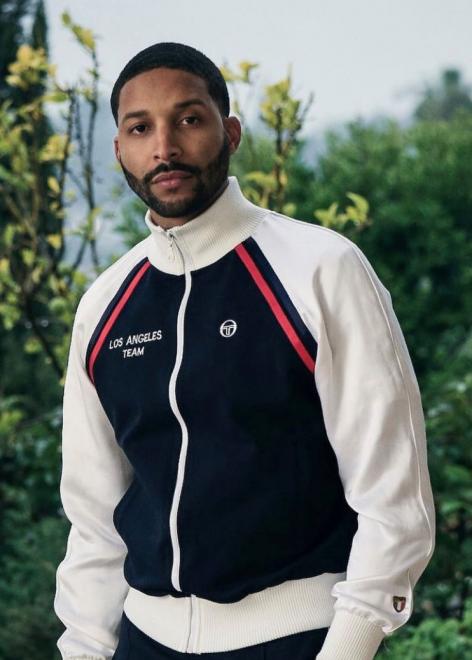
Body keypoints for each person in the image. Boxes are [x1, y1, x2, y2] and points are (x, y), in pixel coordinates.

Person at [54, 42, 436, 660]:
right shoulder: (104, 306)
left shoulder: (320, 268)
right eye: (141, 128)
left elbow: (393, 496)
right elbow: (95, 520)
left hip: (295, 639)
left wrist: (349, 645)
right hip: (143, 641)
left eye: (188, 119)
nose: (165, 148)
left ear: (229, 132)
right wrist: (84, 649)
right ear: (119, 149)